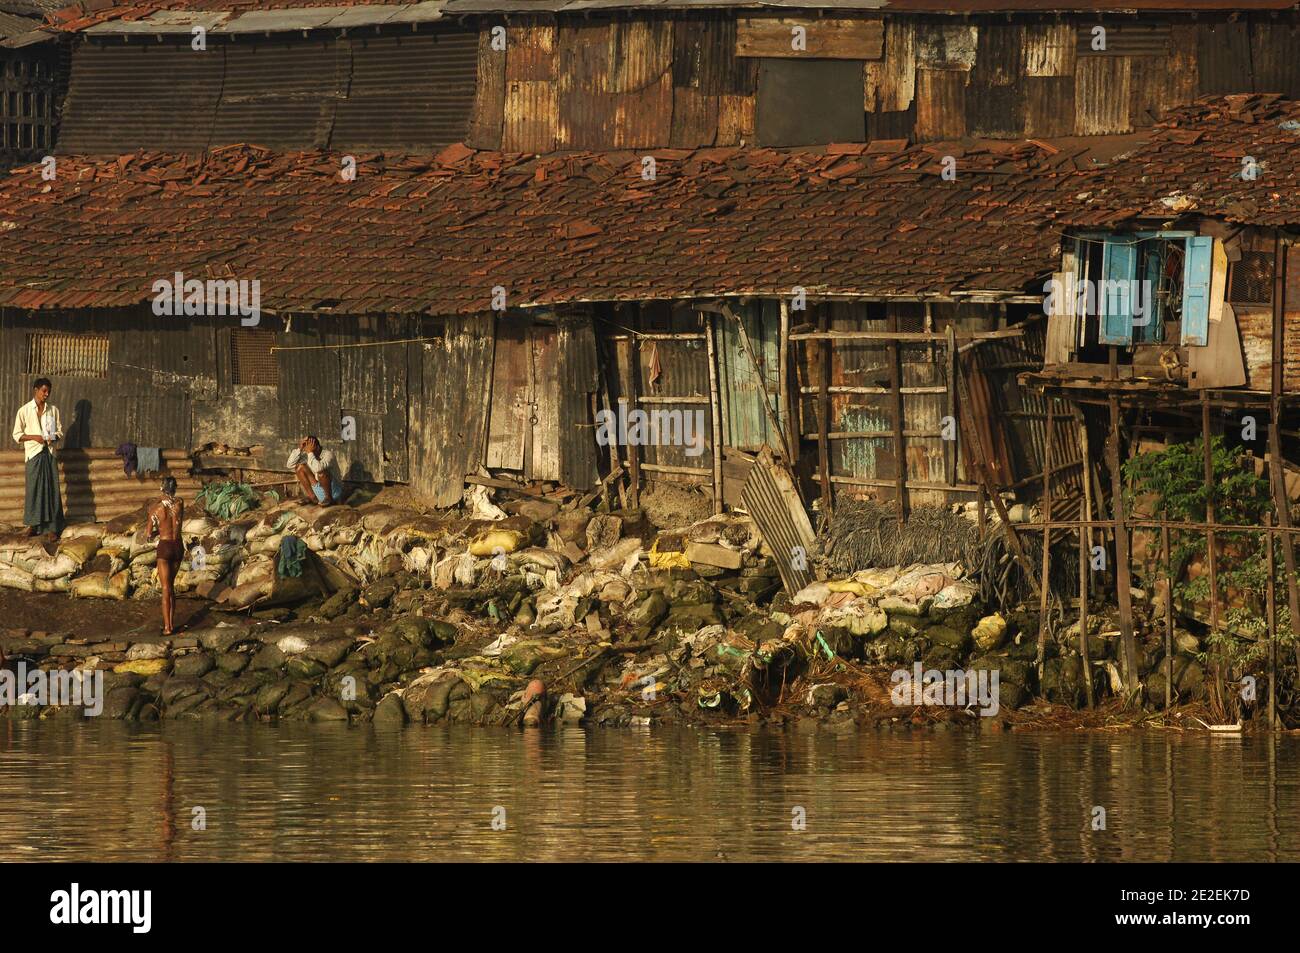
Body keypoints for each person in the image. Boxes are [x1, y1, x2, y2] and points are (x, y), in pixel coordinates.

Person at [11, 378, 64, 538]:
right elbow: (17, 435)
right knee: (33, 490)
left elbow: (59, 432)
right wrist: (35, 437)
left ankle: (53, 528)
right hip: (33, 455)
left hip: (49, 453)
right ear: (35, 390)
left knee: (52, 489)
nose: (46, 394)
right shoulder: (24, 411)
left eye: (49, 391)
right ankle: (33, 526)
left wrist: (52, 437)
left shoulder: (53, 410)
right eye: (44, 391)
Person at [147, 476, 184, 636]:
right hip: (178, 547)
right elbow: (177, 522)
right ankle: (172, 623)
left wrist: (156, 531)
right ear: (174, 489)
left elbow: (148, 534)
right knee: (171, 586)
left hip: (164, 547)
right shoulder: (179, 504)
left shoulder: (155, 508)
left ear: (161, 488)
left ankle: (167, 627)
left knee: (165, 588)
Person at [287, 435, 343, 507]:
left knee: (321, 472)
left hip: (333, 492)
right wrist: (299, 448)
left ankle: (329, 499)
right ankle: (312, 497)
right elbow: (289, 465)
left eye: (308, 446)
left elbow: (318, 469)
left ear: (317, 447)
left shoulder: (328, 454)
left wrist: (310, 452)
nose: (306, 449)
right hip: (319, 490)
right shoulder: (308, 455)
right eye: (305, 446)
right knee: (299, 468)